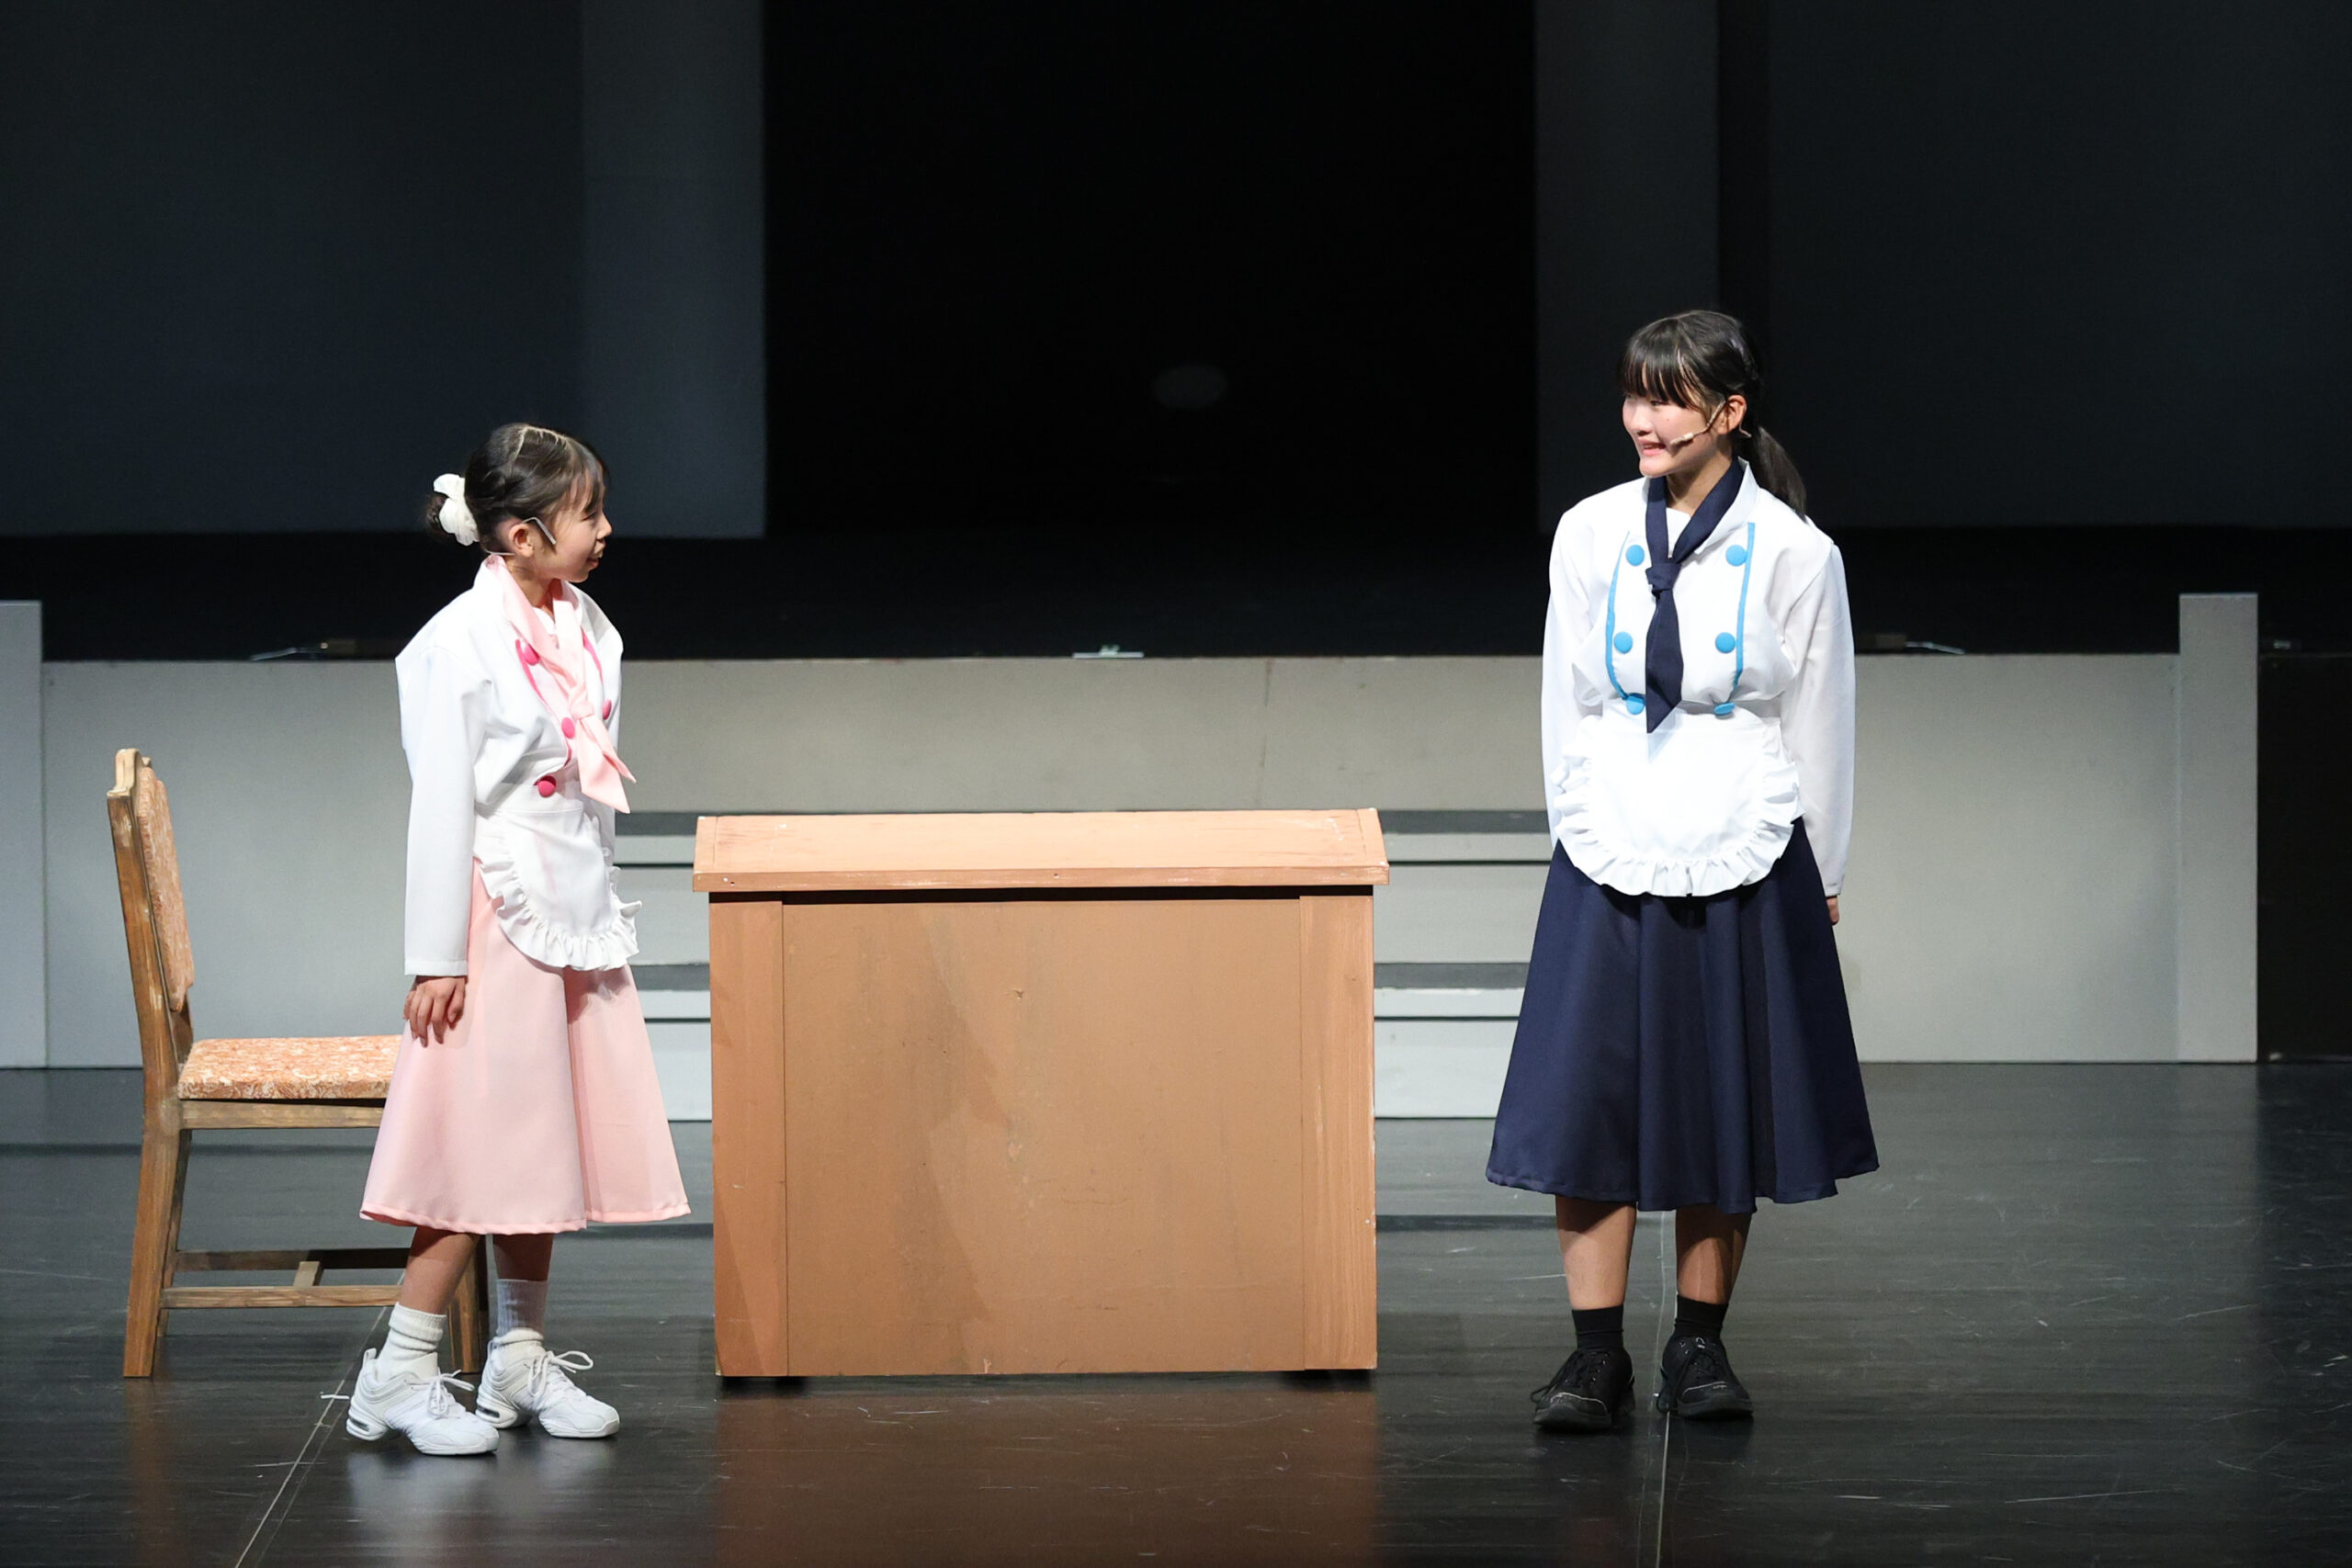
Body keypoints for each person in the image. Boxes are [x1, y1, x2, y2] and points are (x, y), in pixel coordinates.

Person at [1489, 311, 1876, 1432]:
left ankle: (1698, 1345)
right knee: (1589, 1096)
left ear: (1728, 412)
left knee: (1722, 1096)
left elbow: (1821, 721)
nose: (1642, 420)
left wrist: (1823, 868)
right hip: (1612, 830)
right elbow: (1566, 697)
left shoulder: (1796, 552)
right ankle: (1592, 1356)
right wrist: (1573, 825)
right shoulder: (1590, 531)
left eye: (1666, 399)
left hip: (1741, 835)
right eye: (1633, 395)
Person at [347, 423, 689, 1457]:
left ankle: (518, 1355)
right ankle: (399, 1370)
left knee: (543, 1141)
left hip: (568, 904)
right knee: (480, 1140)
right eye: (588, 513)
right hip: (493, 911)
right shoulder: (456, 642)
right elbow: (439, 804)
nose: (605, 529)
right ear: (521, 534)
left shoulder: (582, 619)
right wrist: (436, 955)